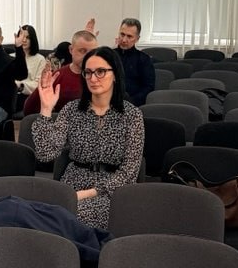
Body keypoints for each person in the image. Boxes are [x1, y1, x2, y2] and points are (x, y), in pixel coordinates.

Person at [31, 46, 145, 230]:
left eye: (100, 72)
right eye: (88, 72)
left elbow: (129, 172)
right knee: (45, 216)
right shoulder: (72, 110)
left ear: (115, 75)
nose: (93, 78)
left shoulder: (132, 115)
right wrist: (46, 109)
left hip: (111, 191)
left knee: (67, 218)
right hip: (72, 183)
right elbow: (45, 154)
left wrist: (88, 193)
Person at [23, 29, 97, 115]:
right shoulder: (58, 76)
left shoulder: (102, 77)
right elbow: (29, 110)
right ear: (71, 50)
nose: (88, 56)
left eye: (92, 52)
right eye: (82, 51)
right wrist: (42, 89)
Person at [113, 17, 156, 106]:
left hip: (133, 105)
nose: (124, 40)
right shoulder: (109, 56)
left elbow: (148, 88)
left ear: (137, 38)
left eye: (129, 36)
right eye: (122, 34)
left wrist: (129, 103)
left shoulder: (144, 60)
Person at [13, 24, 46, 109]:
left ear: (33, 39)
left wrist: (20, 85)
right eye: (22, 37)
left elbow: (38, 85)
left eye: (27, 37)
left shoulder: (40, 59)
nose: (24, 40)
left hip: (28, 97)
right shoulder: (11, 57)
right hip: (10, 94)